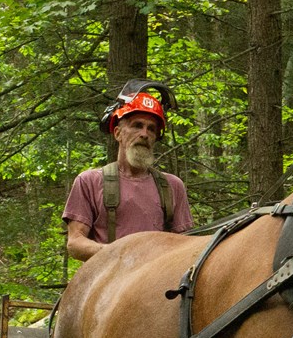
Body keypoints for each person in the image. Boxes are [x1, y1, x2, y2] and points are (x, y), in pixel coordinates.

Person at [62, 89, 194, 262]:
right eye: (137, 125)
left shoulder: (172, 186)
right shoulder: (89, 181)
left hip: (158, 281)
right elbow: (75, 243)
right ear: (118, 133)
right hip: (109, 282)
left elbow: (186, 246)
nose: (144, 134)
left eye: (151, 129)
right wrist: (120, 253)